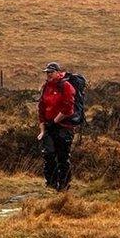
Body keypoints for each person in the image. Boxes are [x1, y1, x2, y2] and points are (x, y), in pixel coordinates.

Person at [38, 62, 76, 191]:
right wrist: (42, 129)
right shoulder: (46, 87)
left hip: (64, 127)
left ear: (58, 72)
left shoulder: (65, 86)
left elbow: (68, 108)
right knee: (48, 154)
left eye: (51, 72)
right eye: (47, 72)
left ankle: (64, 186)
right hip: (49, 127)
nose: (48, 74)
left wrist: (55, 121)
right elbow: (41, 108)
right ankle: (51, 185)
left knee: (63, 157)